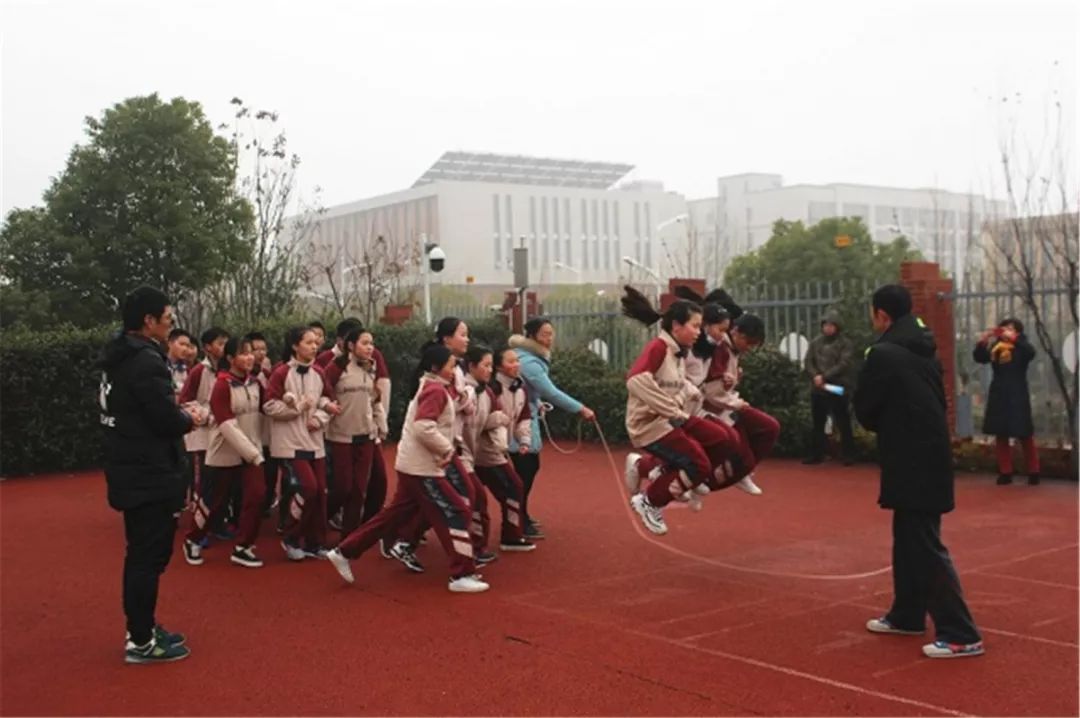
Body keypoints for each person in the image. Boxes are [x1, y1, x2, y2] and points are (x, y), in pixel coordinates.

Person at [854, 284, 984, 659]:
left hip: (910, 457)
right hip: (927, 454)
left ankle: (961, 632)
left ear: (882, 315)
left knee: (923, 543)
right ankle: (907, 614)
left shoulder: (882, 354)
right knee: (910, 535)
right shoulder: (925, 348)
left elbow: (866, 411)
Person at [98, 286, 206, 664]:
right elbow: (164, 420)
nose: (171, 325)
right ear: (148, 321)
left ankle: (142, 629)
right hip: (148, 473)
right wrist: (190, 417)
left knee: (143, 556)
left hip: (133, 468)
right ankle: (141, 641)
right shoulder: (145, 361)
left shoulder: (120, 356)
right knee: (146, 558)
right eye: (167, 320)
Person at [327, 344, 490, 593]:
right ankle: (461, 573)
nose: (455, 369)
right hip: (422, 467)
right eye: (451, 365)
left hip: (415, 464)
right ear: (437, 368)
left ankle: (345, 550)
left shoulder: (434, 387)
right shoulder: (435, 390)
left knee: (394, 514)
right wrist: (446, 449)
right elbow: (423, 426)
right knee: (455, 511)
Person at [619, 288, 741, 536]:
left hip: (672, 419)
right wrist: (671, 409)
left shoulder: (678, 352)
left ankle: (663, 469)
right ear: (676, 326)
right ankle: (649, 501)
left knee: (725, 439)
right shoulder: (658, 348)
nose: (699, 332)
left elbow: (675, 380)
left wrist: (691, 391)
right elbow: (635, 380)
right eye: (695, 326)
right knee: (699, 465)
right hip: (650, 426)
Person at [508, 317, 595, 539]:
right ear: (532, 335)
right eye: (545, 334)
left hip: (523, 415)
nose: (550, 338)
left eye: (551, 333)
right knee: (524, 472)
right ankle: (516, 522)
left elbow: (531, 391)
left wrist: (536, 404)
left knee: (526, 470)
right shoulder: (529, 362)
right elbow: (550, 392)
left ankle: (521, 517)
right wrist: (580, 409)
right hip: (520, 420)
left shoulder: (528, 357)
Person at [183, 337, 267, 568]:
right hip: (224, 452)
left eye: (251, 352)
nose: (250, 357)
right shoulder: (222, 385)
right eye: (244, 353)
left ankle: (243, 547)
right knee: (213, 502)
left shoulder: (255, 383)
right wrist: (254, 454)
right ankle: (193, 539)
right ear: (230, 359)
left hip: (251, 452)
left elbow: (266, 411)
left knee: (257, 496)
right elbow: (227, 425)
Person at [264, 326, 342, 560]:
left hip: (314, 442)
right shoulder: (280, 373)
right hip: (289, 443)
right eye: (308, 342)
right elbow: (269, 406)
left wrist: (320, 417)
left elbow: (328, 400)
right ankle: (290, 537)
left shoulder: (319, 372)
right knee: (307, 488)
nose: (314, 346)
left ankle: (314, 542)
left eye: (316, 342)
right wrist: (297, 408)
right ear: (295, 346)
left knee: (320, 493)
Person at [463, 345, 536, 553]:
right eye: (510, 361)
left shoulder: (520, 389)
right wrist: (498, 421)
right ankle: (482, 545)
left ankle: (510, 535)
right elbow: (476, 421)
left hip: (492, 451)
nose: (516, 365)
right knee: (504, 490)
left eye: (517, 360)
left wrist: (524, 440)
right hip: (483, 453)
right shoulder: (488, 389)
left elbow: (523, 417)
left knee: (510, 489)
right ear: (498, 367)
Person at [323, 328, 385, 536]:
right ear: (351, 345)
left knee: (359, 490)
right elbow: (322, 394)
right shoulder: (337, 368)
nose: (370, 348)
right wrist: (325, 410)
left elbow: (374, 399)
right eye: (365, 343)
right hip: (341, 437)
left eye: (372, 343)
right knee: (342, 488)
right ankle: (316, 523)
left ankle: (348, 538)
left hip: (366, 436)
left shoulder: (371, 368)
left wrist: (380, 425)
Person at [973, 318, 1040, 485]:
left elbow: (1031, 353)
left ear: (1018, 331)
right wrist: (983, 341)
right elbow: (980, 358)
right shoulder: (997, 347)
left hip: (1017, 392)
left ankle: (1034, 471)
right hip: (999, 391)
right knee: (1000, 432)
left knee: (1024, 433)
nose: (1006, 331)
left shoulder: (1021, 346)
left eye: (1010, 328)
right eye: (1004, 328)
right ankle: (1005, 471)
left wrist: (1014, 339)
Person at [178, 327, 230, 535]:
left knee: (221, 483)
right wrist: (207, 414)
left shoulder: (227, 370)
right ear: (208, 348)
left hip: (222, 434)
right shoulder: (200, 371)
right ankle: (199, 530)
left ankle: (217, 522)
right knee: (202, 485)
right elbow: (184, 400)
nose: (224, 347)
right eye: (220, 343)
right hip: (201, 435)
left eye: (225, 343)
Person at [803, 309, 856, 466]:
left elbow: (844, 364)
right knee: (818, 422)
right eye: (825, 325)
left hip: (838, 387)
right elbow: (808, 361)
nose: (827, 328)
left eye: (831, 325)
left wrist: (824, 376)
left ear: (837, 326)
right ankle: (817, 454)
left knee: (842, 421)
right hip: (818, 388)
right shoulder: (815, 342)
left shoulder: (845, 344)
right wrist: (815, 376)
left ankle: (848, 454)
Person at [166, 329, 194, 399]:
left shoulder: (188, 370)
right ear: (170, 343)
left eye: (187, 346)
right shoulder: (159, 364)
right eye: (181, 344)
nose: (185, 348)